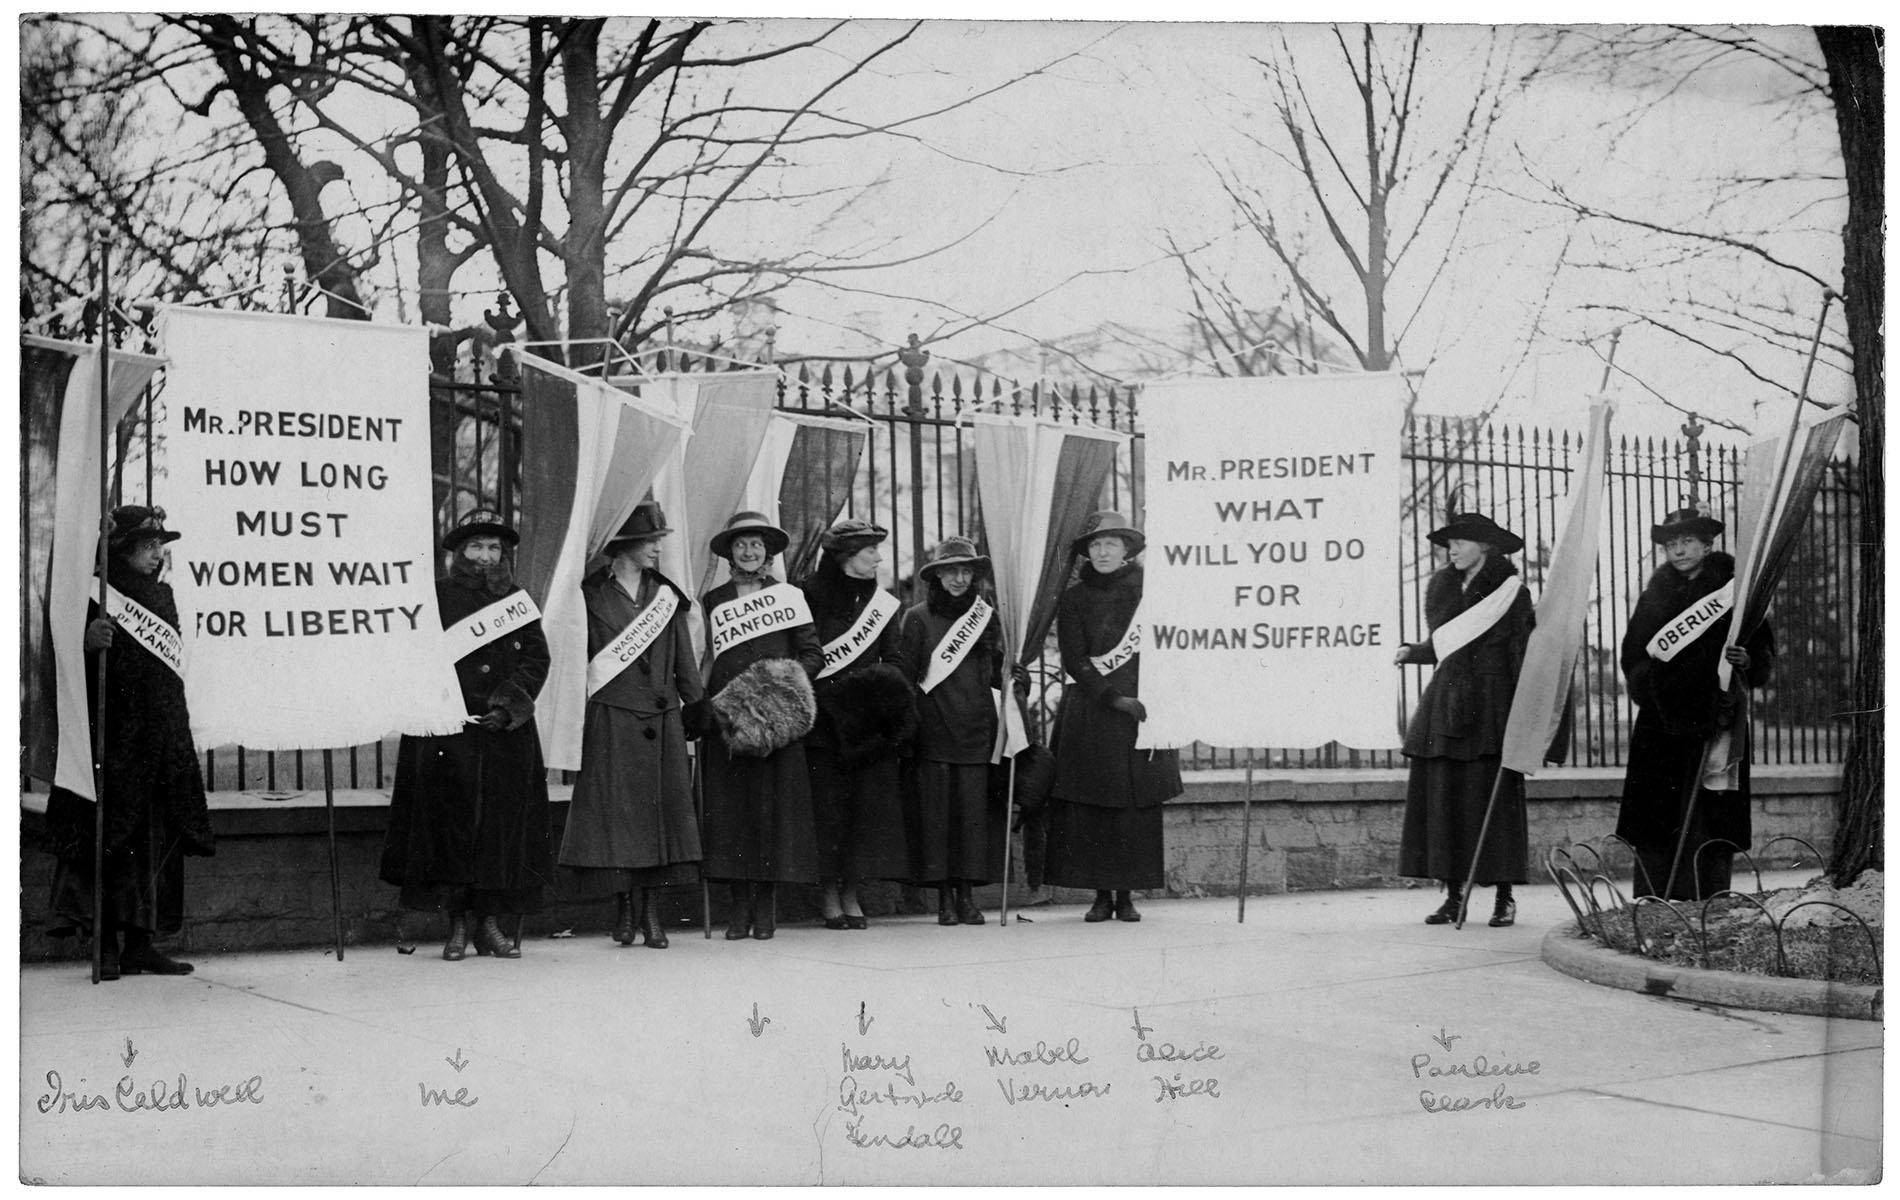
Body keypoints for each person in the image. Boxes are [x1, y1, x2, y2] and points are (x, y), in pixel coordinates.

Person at [43, 505, 215, 979]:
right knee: (111, 843)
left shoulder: (163, 597)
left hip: (158, 739)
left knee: (154, 846)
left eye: (160, 546)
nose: (158, 554)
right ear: (122, 549)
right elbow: (59, 661)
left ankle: (141, 943)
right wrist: (86, 641)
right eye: (148, 545)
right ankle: (103, 945)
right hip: (113, 741)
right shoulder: (95, 596)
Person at [380, 508, 552, 960]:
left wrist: (508, 704)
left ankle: (488, 925)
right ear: (458, 551)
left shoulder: (517, 600)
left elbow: (537, 659)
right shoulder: (434, 598)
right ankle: (456, 925)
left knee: (500, 831)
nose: (485, 556)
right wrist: (454, 707)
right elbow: (415, 660)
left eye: (494, 547)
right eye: (476, 546)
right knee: (452, 830)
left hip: (505, 734)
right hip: (449, 733)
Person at [558, 501, 704, 949]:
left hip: (662, 721)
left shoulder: (667, 597)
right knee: (617, 822)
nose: (658, 549)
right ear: (625, 545)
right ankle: (624, 912)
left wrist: (695, 709)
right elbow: (576, 662)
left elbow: (685, 662)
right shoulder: (587, 596)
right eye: (651, 541)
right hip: (612, 719)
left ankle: (652, 915)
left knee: (661, 821)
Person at [1615, 506, 1775, 900]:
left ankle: (1709, 898)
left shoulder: (1735, 592)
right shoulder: (1654, 595)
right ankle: (1655, 899)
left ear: (1707, 545)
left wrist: (1749, 661)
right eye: (1672, 543)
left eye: (1687, 541)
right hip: (1661, 722)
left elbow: (1762, 651)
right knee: (1657, 813)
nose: (1679, 549)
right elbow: (1633, 655)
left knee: (1710, 812)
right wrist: (1653, 690)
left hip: (1717, 716)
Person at [1393, 511, 1535, 927]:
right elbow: (1446, 643)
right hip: (1448, 699)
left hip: (1493, 703)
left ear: (1486, 546)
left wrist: (1519, 715)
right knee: (1445, 800)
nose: (1451, 549)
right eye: (1448, 543)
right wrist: (1415, 652)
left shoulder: (1512, 591)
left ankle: (1503, 897)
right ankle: (1454, 896)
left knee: (1493, 800)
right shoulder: (1442, 587)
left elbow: (1521, 653)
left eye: (1461, 541)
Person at [1045, 511, 1182, 923]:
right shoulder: (1074, 598)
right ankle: (1101, 895)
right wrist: (1110, 697)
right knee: (1095, 806)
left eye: (1112, 545)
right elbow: (1074, 658)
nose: (1103, 552)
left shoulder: (1150, 594)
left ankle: (1127, 895)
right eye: (1096, 545)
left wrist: (1146, 698)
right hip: (1093, 710)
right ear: (1087, 551)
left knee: (1134, 808)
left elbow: (1168, 646)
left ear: (1127, 551)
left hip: (1141, 711)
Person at [695, 512, 822, 940]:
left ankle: (766, 908)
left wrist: (777, 696)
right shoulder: (712, 601)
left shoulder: (790, 596)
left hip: (774, 727)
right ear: (730, 552)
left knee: (771, 815)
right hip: (728, 723)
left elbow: (812, 654)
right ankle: (737, 907)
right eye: (740, 545)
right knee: (731, 815)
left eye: (756, 545)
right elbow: (704, 659)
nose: (749, 552)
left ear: (768, 551)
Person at [897, 536, 1018, 926]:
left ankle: (967, 897)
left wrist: (1018, 679)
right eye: (951, 571)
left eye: (966, 571)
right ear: (937, 577)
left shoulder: (987, 617)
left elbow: (1000, 671)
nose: (959, 578)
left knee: (971, 820)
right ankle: (944, 900)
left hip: (976, 730)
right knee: (938, 821)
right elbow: (905, 677)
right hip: (934, 730)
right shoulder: (917, 618)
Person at [800, 518, 915, 930]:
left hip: (866, 723)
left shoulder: (882, 604)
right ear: (848, 556)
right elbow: (803, 649)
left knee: (865, 812)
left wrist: (877, 692)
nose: (879, 559)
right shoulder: (807, 595)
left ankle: (851, 891)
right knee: (829, 810)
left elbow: (896, 659)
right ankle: (829, 892)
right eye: (871, 552)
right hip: (824, 722)